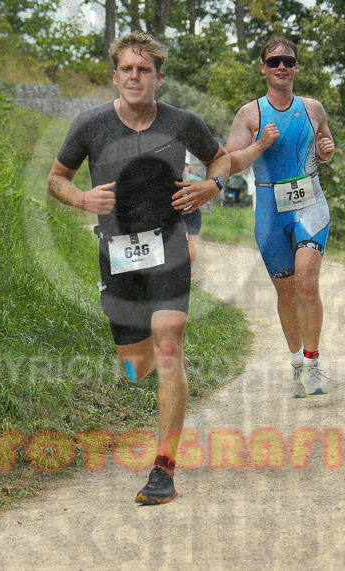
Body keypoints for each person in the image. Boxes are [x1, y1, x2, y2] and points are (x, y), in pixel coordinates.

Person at [47, 32, 230, 505]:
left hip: (168, 248)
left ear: (158, 78)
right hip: (118, 255)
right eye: (127, 69)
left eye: (144, 70)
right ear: (115, 75)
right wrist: (82, 198)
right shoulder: (90, 126)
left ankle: (163, 468)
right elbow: (56, 179)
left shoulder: (183, 122)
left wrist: (211, 187)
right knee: (137, 366)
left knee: (169, 344)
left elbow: (221, 159)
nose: (134, 77)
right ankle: (145, 364)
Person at [225, 37, 334, 398]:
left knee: (306, 284)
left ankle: (315, 366)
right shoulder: (250, 114)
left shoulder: (313, 108)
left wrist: (326, 150)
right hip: (270, 209)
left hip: (310, 202)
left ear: (296, 67)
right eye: (274, 62)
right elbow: (229, 164)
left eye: (288, 61)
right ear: (263, 68)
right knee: (286, 294)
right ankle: (297, 367)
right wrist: (259, 145)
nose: (281, 67)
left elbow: (325, 147)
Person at [181, 164, 203, 270]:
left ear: (188, 167)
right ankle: (184, 267)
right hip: (181, 212)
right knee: (183, 239)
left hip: (193, 212)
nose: (183, 167)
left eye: (185, 165)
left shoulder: (195, 179)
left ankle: (191, 267)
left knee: (193, 240)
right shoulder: (176, 179)